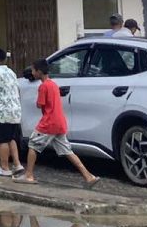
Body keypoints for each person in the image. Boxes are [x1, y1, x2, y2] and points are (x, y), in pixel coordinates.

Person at [18, 58, 100, 187]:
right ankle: (88, 176)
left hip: (48, 123)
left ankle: (29, 175)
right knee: (67, 151)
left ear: (39, 72)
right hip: (59, 122)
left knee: (33, 145)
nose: (32, 73)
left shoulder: (43, 86)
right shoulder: (53, 84)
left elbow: (40, 104)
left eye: (33, 70)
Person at [0, 48, 26, 178]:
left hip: (3, 111)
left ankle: (4, 167)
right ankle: (17, 164)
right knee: (11, 138)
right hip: (15, 110)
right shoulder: (11, 72)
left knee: (2, 140)